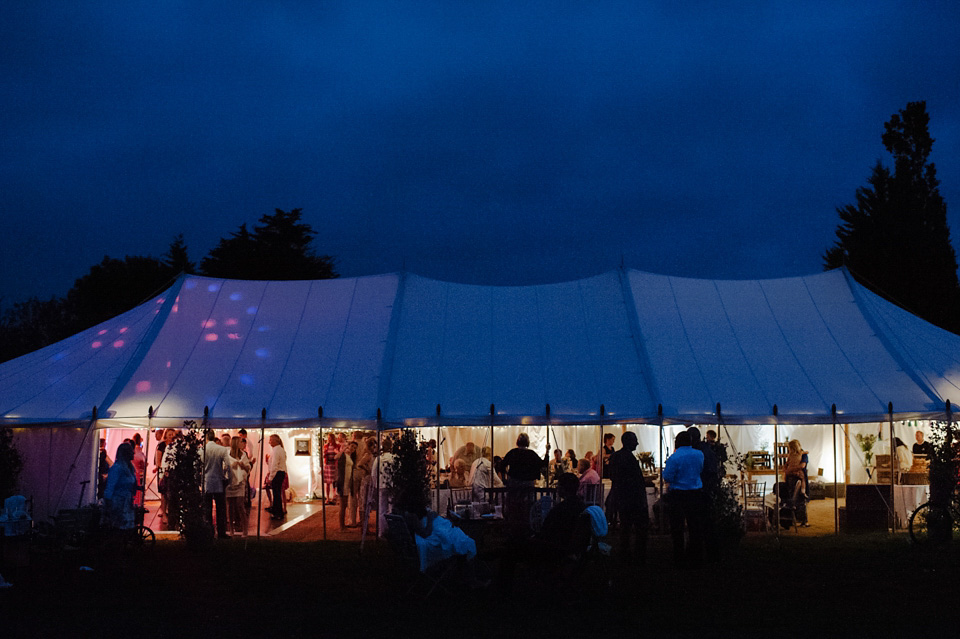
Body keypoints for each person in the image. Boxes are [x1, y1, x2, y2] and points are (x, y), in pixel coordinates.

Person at [662, 430, 705, 566]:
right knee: (695, 526)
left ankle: (679, 556)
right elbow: (700, 470)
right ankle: (695, 555)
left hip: (678, 494)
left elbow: (667, 476)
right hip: (695, 493)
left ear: (677, 442)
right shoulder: (699, 455)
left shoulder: (674, 458)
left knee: (677, 526)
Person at [607, 431, 649, 565]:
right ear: (628, 441)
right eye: (635, 440)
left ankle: (624, 553)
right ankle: (639, 555)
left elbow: (613, 476)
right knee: (640, 528)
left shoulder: (615, 456)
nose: (637, 443)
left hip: (622, 498)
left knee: (625, 527)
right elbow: (635, 480)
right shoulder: (628, 458)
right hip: (633, 499)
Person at [203, 429, 232, 538]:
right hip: (219, 481)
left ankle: (209, 531)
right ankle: (221, 532)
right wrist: (228, 478)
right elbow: (228, 466)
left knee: (207, 508)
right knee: (221, 508)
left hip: (206, 481)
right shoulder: (221, 449)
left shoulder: (202, 450)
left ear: (205, 438)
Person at [103, 442, 137, 532]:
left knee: (127, 528)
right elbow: (110, 486)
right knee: (118, 528)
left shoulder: (130, 468)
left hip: (127, 502)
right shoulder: (117, 468)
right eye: (131, 451)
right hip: (118, 503)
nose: (133, 453)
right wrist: (108, 504)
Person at [226, 436, 252, 536]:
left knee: (240, 505)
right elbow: (223, 467)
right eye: (241, 442)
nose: (243, 443)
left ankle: (245, 529)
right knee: (230, 507)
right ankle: (231, 529)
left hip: (240, 483)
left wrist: (243, 466)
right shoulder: (227, 454)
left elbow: (248, 468)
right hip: (230, 482)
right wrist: (230, 466)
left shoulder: (243, 455)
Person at [154, 428, 176, 522]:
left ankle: (170, 513)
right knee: (164, 494)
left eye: (172, 434)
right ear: (166, 435)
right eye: (169, 434)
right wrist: (161, 471)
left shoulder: (175, 445)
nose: (171, 436)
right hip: (163, 472)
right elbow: (158, 460)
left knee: (171, 493)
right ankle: (163, 514)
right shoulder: (161, 445)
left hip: (173, 472)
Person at [266, 434, 287, 521]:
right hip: (281, 472)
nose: (269, 442)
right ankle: (277, 511)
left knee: (276, 493)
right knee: (277, 493)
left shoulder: (276, 450)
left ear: (275, 441)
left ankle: (278, 513)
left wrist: (270, 477)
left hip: (277, 473)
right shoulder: (281, 449)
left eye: (270, 440)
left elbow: (275, 465)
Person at [337, 440, 357, 528]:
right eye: (352, 446)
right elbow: (336, 457)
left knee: (345, 504)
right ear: (348, 445)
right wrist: (344, 449)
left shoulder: (350, 456)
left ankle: (343, 525)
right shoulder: (343, 455)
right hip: (343, 482)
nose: (353, 449)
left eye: (354, 448)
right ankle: (342, 526)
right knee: (343, 505)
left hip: (348, 482)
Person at [131, 433, 147, 509]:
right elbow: (143, 463)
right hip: (138, 473)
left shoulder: (133, 451)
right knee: (138, 492)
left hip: (133, 473)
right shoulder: (140, 452)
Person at [322, 433, 339, 504]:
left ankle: (334, 497)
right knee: (327, 483)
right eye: (328, 438)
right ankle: (327, 498)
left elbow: (338, 455)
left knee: (334, 482)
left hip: (334, 465)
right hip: (328, 465)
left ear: (333, 438)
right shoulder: (326, 446)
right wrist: (324, 454)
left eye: (330, 438)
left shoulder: (337, 446)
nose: (329, 439)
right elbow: (324, 455)